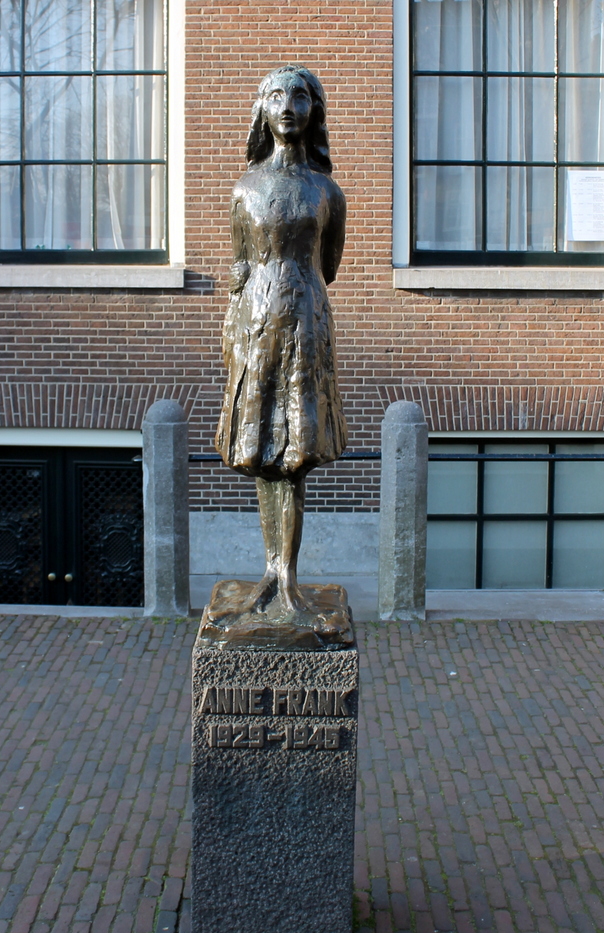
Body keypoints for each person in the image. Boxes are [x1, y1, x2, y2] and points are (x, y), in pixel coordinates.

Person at [216, 65, 347, 614]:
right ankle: (270, 574)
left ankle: (287, 579)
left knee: (296, 455)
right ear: (262, 111)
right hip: (252, 326)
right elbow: (240, 267)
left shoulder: (326, 191)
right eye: (275, 95)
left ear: (314, 109)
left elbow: (329, 265)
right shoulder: (245, 190)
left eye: (300, 95)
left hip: (306, 325)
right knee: (261, 450)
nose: (288, 105)